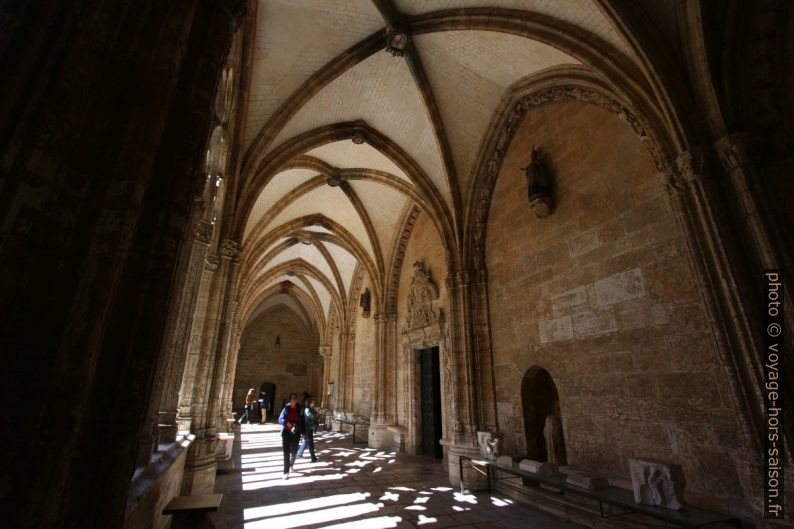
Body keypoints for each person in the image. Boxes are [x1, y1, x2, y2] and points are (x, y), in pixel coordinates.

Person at [278, 393, 304, 479]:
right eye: (292, 398)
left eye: (295, 398)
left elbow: (302, 421)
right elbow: (280, 419)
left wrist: (303, 432)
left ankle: (291, 464)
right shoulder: (286, 408)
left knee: (294, 452)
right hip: (286, 432)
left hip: (296, 432)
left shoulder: (299, 408)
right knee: (286, 452)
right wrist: (286, 423)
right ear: (290, 400)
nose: (294, 400)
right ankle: (286, 472)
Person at [297, 398, 319, 462]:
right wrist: (316, 416)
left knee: (306, 441)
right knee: (310, 443)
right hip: (307, 429)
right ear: (309, 403)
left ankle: (299, 453)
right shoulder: (307, 409)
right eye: (313, 402)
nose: (314, 403)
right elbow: (311, 418)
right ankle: (313, 457)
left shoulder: (312, 409)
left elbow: (314, 416)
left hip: (310, 428)